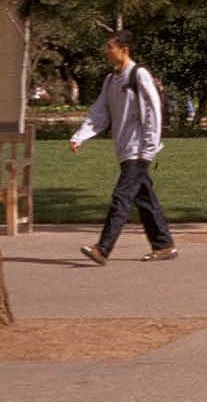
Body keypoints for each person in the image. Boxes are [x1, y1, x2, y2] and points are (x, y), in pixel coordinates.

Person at [72, 32, 176, 264]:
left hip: (139, 150)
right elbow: (100, 111)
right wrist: (80, 136)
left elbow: (153, 111)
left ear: (124, 49)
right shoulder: (111, 80)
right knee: (144, 198)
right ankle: (164, 245)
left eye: (110, 47)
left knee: (121, 197)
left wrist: (149, 146)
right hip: (124, 147)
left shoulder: (139, 75)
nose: (107, 52)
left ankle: (103, 248)